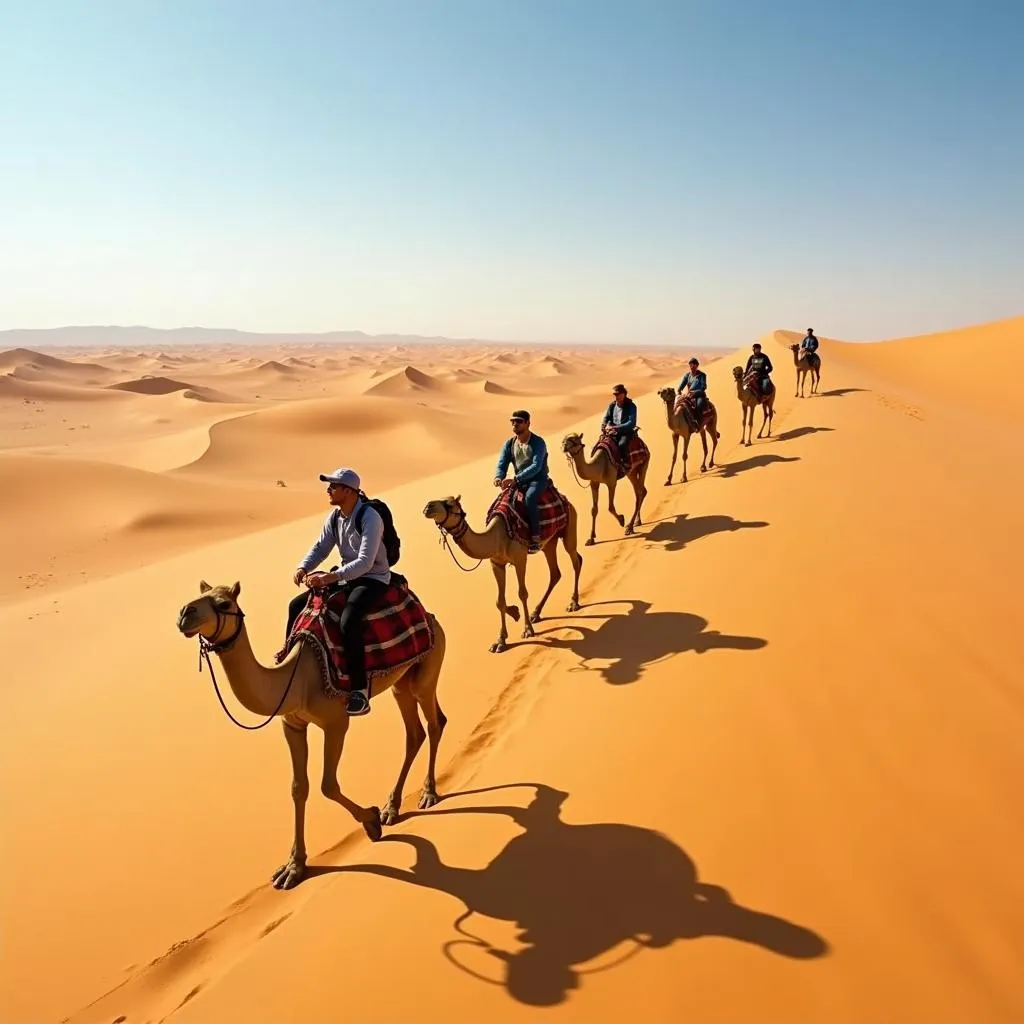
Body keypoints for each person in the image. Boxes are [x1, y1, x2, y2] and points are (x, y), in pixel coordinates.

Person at [287, 467, 391, 717]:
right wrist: (304, 567)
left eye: (333, 486)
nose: (328, 490)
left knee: (349, 620)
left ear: (349, 491)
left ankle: (359, 691)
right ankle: (289, 662)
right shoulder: (336, 517)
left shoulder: (370, 517)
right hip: (346, 576)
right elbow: (321, 547)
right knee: (295, 605)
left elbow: (366, 562)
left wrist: (331, 577)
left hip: (373, 578)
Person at [494, 409, 551, 554]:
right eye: (512, 421)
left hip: (537, 480)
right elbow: (503, 462)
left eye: (519, 421)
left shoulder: (538, 443)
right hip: (519, 480)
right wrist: (499, 477)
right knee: (503, 502)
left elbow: (536, 466)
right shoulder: (510, 443)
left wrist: (516, 479)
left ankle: (536, 538)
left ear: (528, 423)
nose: (515, 424)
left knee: (530, 498)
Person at [601, 384, 638, 467]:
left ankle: (625, 464)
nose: (616, 396)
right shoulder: (612, 405)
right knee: (601, 444)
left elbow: (631, 423)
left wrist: (616, 427)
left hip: (625, 432)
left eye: (618, 394)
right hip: (612, 432)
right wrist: (603, 425)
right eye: (615, 394)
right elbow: (606, 417)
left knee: (622, 445)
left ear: (624, 394)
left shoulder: (631, 406)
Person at [677, 358, 709, 426]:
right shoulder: (687, 375)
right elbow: (682, 384)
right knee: (679, 404)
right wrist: (679, 390)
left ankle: (698, 423)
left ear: (697, 366)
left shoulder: (702, 375)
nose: (692, 367)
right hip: (689, 395)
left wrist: (695, 392)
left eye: (694, 365)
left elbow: (704, 387)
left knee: (699, 406)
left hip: (699, 395)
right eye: (690, 365)